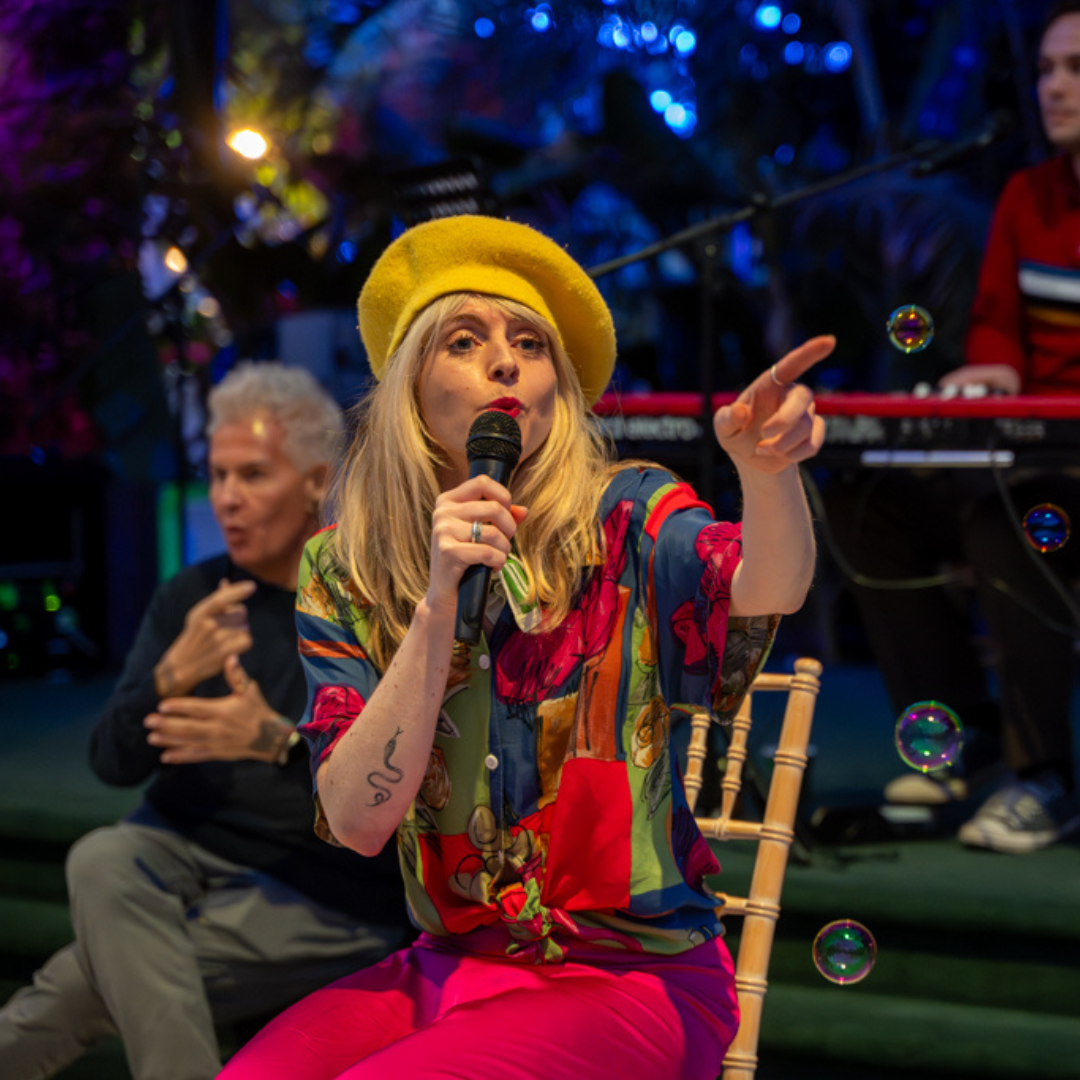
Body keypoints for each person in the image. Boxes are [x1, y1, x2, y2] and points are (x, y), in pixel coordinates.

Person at [218, 214, 828, 1080]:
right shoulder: (343, 561)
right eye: (463, 340)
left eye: (531, 344)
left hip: (637, 979)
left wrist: (768, 476)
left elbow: (769, 586)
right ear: (410, 390)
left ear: (557, 390)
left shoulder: (630, 515)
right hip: (444, 967)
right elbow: (357, 822)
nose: (505, 361)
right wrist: (436, 605)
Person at [0, 362, 410, 1080]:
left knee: (71, 990)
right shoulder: (193, 596)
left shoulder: (368, 606)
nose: (226, 500)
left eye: (252, 475)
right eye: (217, 477)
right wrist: (165, 678)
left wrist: (279, 743)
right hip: (177, 850)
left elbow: (389, 814)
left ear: (317, 480)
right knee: (98, 855)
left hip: (322, 888)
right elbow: (112, 763)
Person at [825, 0, 1080, 853]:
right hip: (1028, 453)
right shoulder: (1027, 194)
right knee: (867, 498)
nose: (1054, 88)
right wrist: (990, 366)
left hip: (1053, 479)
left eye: (1076, 69)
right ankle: (956, 732)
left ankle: (1046, 777)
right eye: (1045, 70)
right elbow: (999, 325)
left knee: (1001, 515)